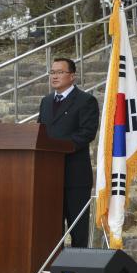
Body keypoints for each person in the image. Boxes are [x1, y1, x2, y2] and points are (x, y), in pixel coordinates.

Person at [38, 58, 99, 248]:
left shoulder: (86, 100)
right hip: (49, 176)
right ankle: (50, 272)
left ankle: (78, 272)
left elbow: (86, 133)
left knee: (78, 230)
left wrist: (58, 147)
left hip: (74, 176)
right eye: (52, 72)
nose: (54, 76)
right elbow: (40, 132)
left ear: (72, 76)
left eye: (60, 72)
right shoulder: (46, 102)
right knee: (50, 229)